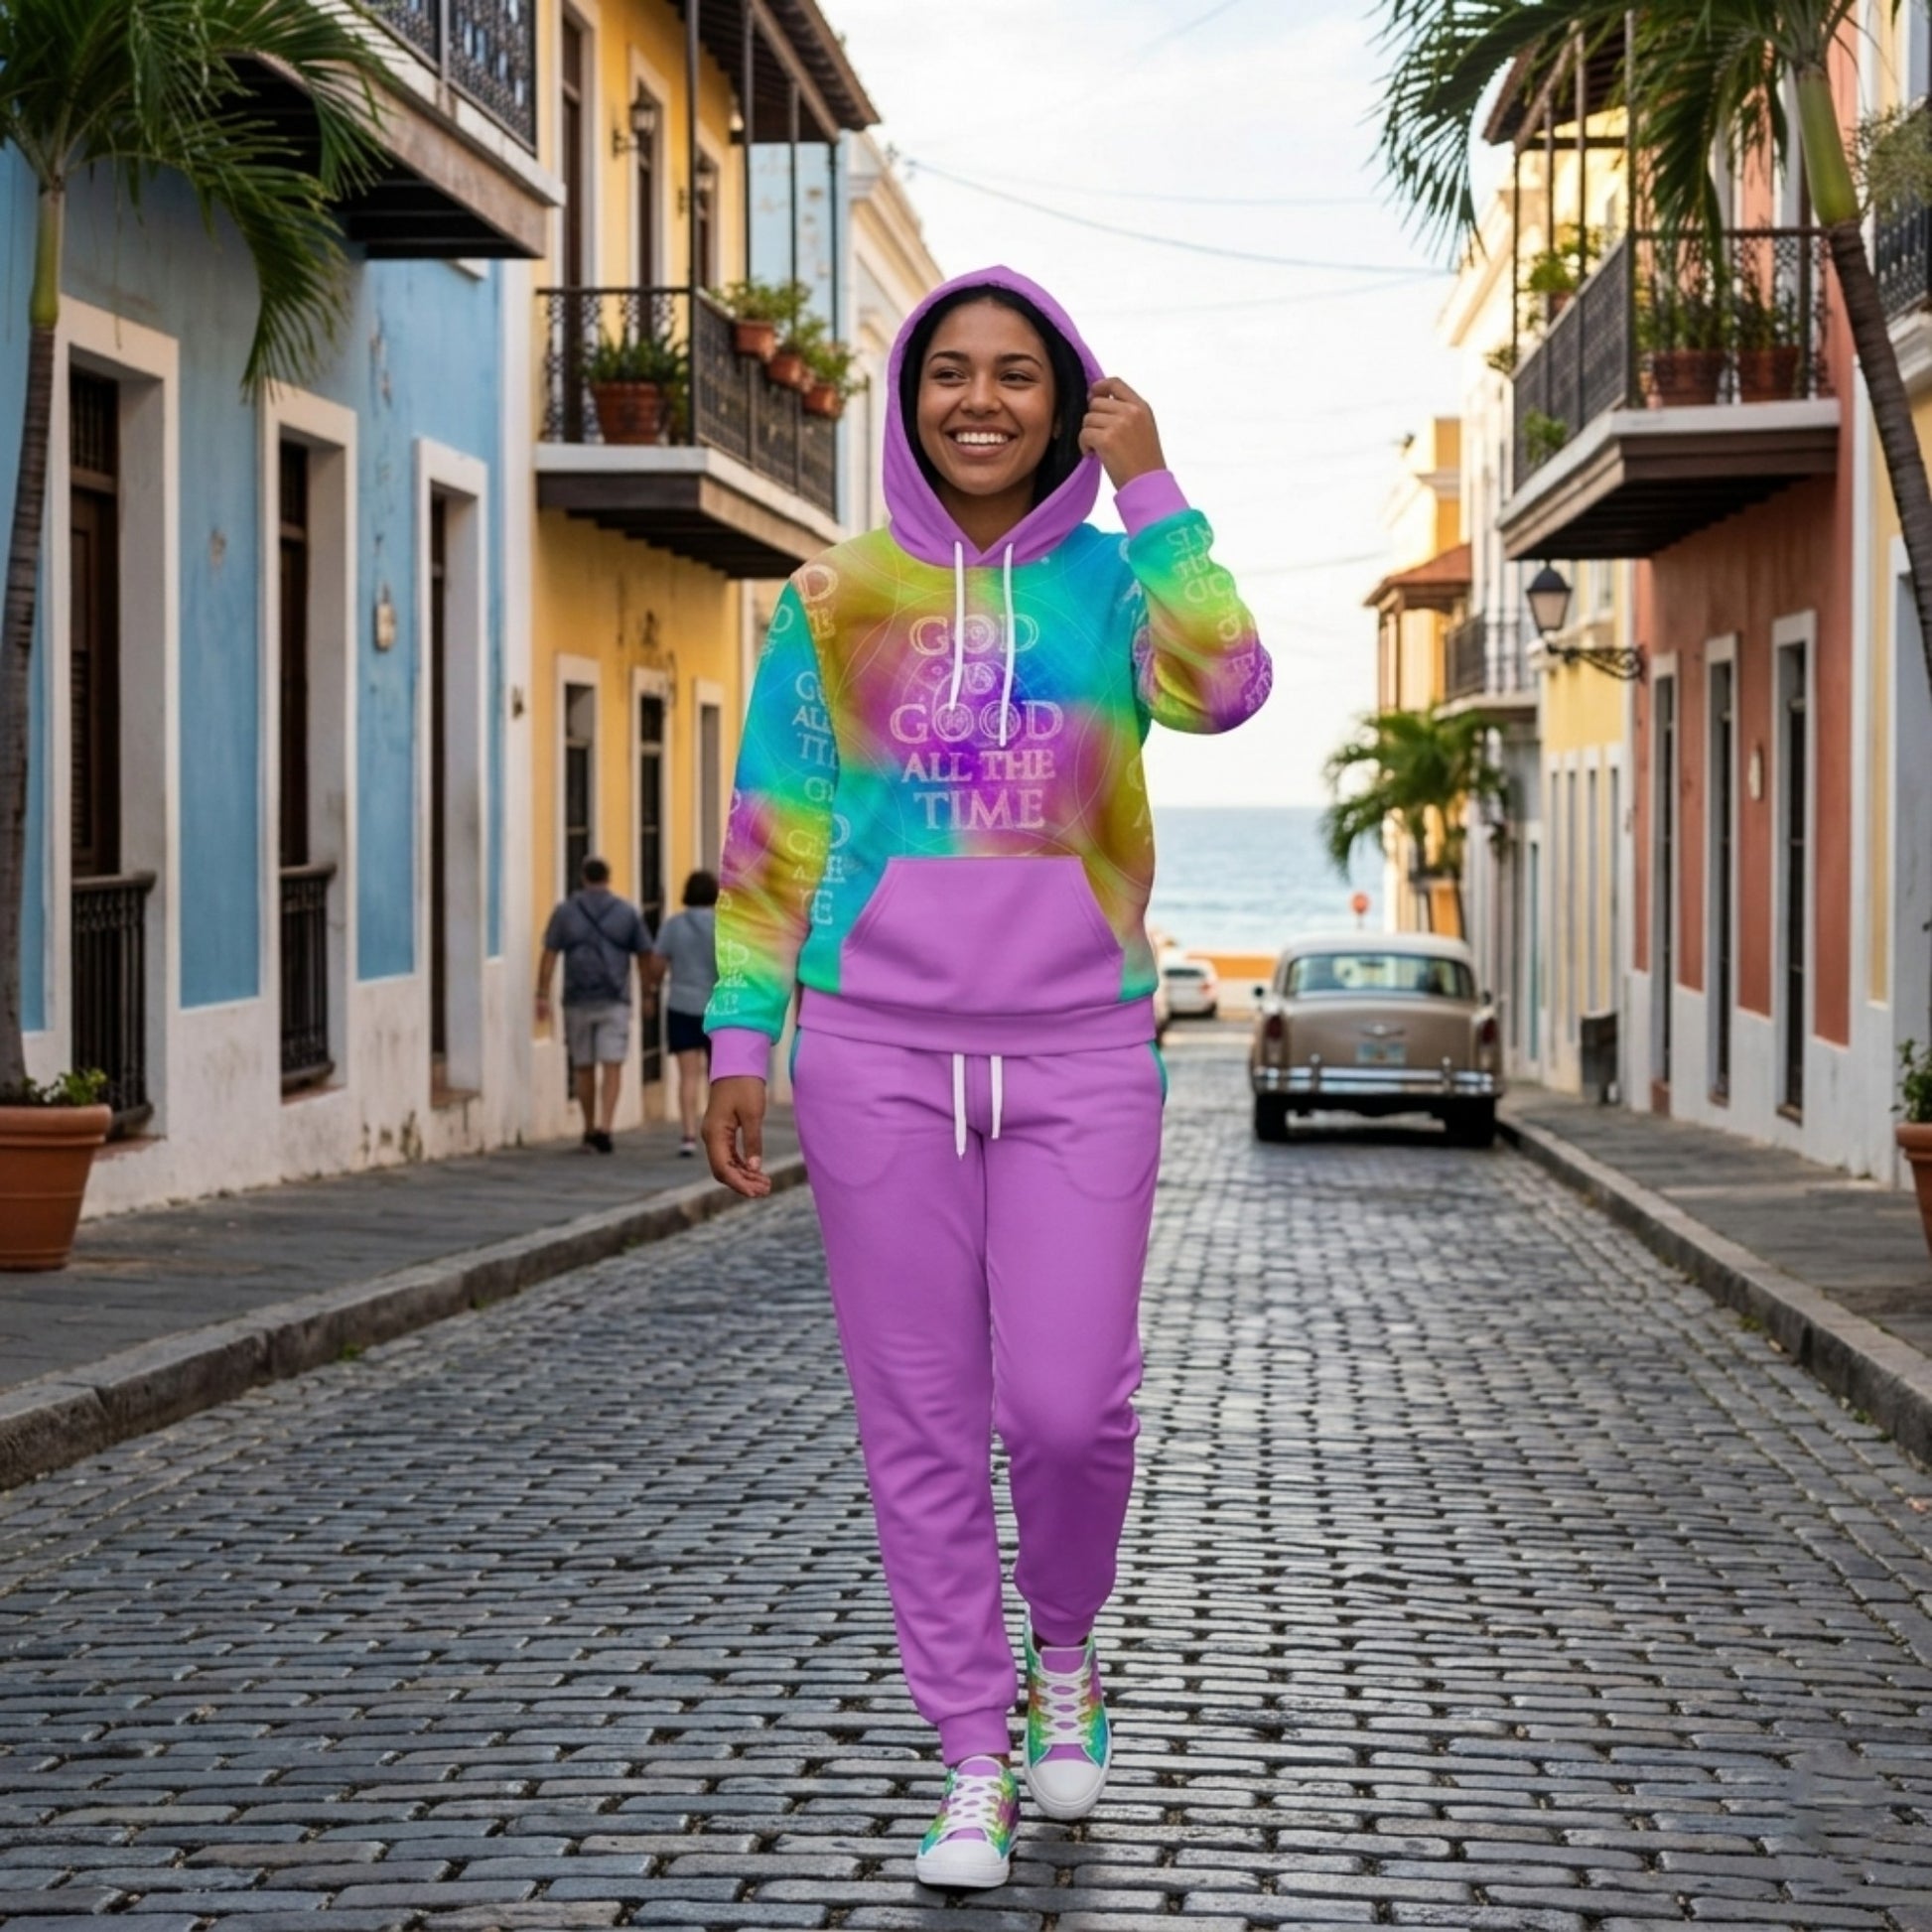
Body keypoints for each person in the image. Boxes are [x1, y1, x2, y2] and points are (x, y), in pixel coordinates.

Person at [700, 267, 1270, 1890]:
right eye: (950, 371)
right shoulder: (827, 600)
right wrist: (744, 1041)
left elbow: (1230, 686)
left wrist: (1153, 486)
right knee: (922, 1425)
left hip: (1082, 1047)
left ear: (1062, 396)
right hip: (873, 1050)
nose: (980, 400)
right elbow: (772, 841)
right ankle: (972, 1750)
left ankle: (1068, 1653)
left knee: (1067, 1408)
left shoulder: (1110, 587)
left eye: (1017, 375)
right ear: (908, 396)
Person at [536, 856, 654, 1154]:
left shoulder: (565, 912)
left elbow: (549, 954)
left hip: (577, 998)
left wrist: (542, 993)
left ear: (584, 878)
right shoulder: (626, 912)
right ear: (608, 878)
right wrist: (648, 994)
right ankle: (606, 1126)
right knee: (612, 1065)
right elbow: (644, 956)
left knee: (583, 1066)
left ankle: (588, 1128)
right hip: (615, 998)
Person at [644, 870, 720, 1156]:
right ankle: (718, 1134)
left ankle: (688, 1135)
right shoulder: (722, 925)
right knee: (717, 1076)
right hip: (717, 1009)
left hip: (682, 1006)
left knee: (688, 1075)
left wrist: (651, 988)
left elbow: (656, 965)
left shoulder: (673, 926)